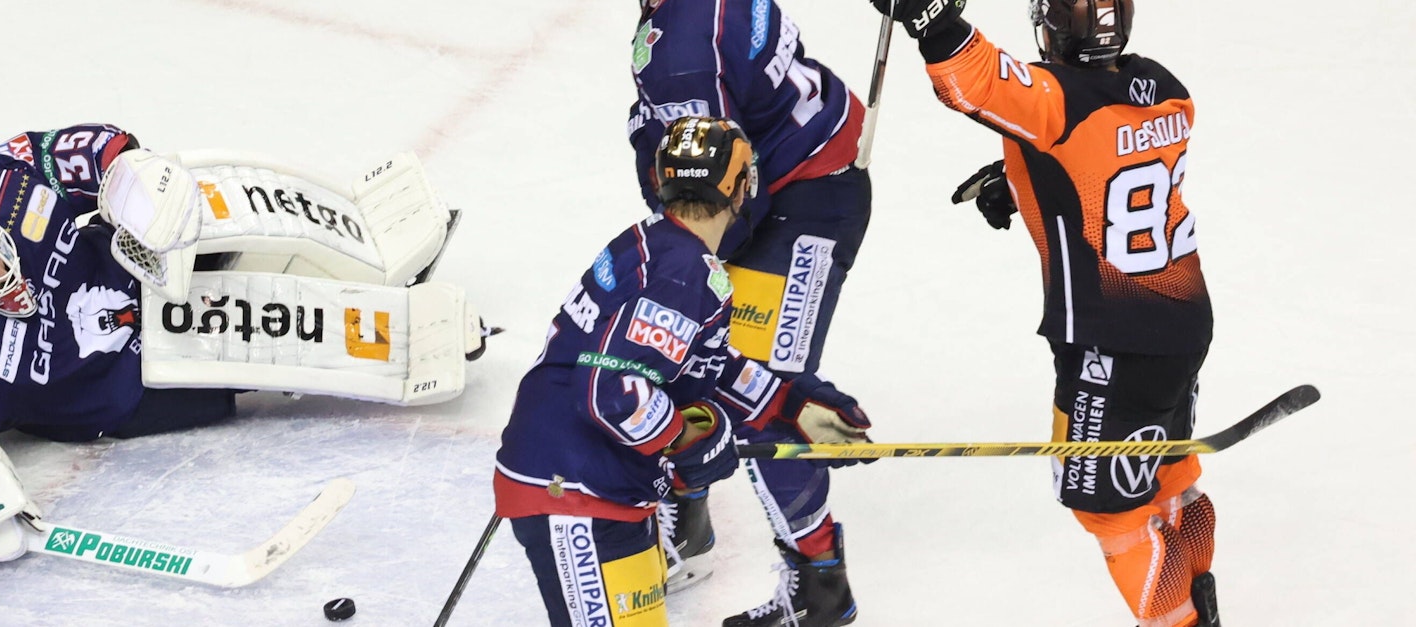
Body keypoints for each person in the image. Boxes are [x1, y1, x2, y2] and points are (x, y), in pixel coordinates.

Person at [0, 123, 481, 564]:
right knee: (252, 341)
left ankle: (367, 236)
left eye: (0, 259)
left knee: (211, 201)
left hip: (139, 267)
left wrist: (129, 172)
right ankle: (400, 342)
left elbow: (52, 152)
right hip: (128, 389)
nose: (8, 276)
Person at [868, 0, 1219, 625]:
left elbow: (974, 79)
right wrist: (1023, 174)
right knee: (1170, 474)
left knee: (1107, 512)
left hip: (1113, 345)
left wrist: (930, 16)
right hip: (1183, 322)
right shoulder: (1167, 89)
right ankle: (1200, 597)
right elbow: (1109, 161)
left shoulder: (1057, 101)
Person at [495, 116, 801, 626]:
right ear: (740, 187)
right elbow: (611, 390)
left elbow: (697, 360)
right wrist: (684, 437)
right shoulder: (683, 271)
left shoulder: (661, 246)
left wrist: (790, 406)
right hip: (575, 489)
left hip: (595, 483)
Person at [625, 1, 875, 625]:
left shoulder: (682, 54)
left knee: (762, 393)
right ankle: (687, 528)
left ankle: (821, 590)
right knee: (689, 351)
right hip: (784, 179)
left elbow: (718, 187)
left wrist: (684, 265)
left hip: (804, 200)